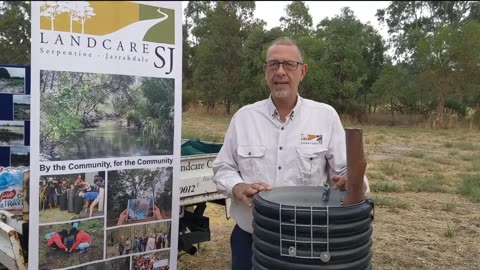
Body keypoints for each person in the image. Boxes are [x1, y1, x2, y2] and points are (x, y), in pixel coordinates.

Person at [212, 36, 370, 270]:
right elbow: (223, 168)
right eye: (273, 64)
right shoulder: (244, 118)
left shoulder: (325, 116)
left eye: (289, 64)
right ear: (265, 71)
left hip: (310, 239)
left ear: (302, 71)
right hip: (252, 237)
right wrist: (236, 187)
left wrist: (353, 181)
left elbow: (349, 171)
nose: (280, 72)